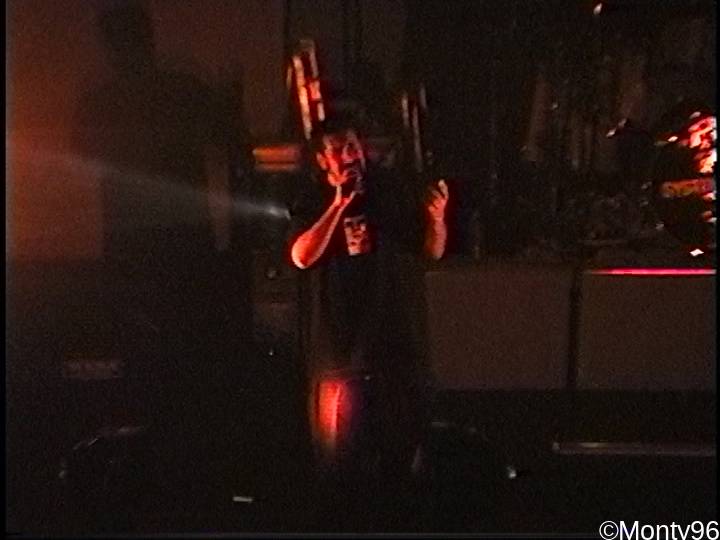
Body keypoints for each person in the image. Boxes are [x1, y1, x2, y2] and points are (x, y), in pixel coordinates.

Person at [288, 109, 449, 508]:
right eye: (338, 149)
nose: (350, 155)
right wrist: (338, 206)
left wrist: (436, 218)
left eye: (353, 146)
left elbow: (431, 250)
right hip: (339, 353)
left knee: (401, 460)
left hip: (394, 348)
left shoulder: (387, 192)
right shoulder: (311, 201)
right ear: (322, 160)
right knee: (339, 465)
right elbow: (301, 256)